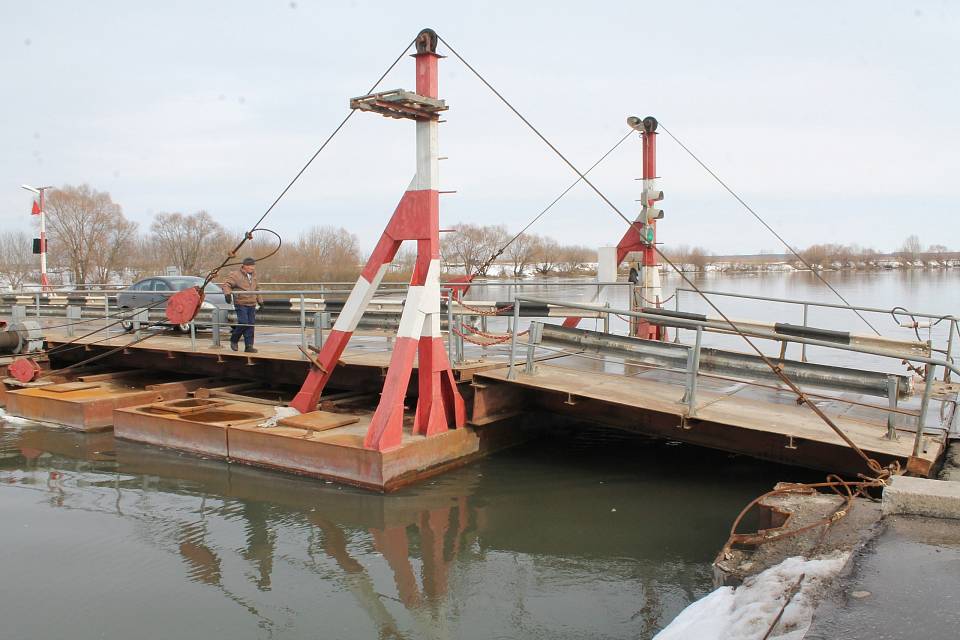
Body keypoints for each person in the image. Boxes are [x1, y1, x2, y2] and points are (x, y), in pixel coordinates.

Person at [222, 257, 264, 353]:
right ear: (244, 266)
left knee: (250, 324)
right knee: (244, 322)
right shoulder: (235, 275)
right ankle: (234, 339)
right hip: (241, 302)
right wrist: (227, 294)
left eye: (253, 266)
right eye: (250, 266)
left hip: (252, 303)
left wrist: (260, 301)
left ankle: (249, 346)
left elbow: (257, 288)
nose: (252, 268)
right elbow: (226, 285)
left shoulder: (254, 275)